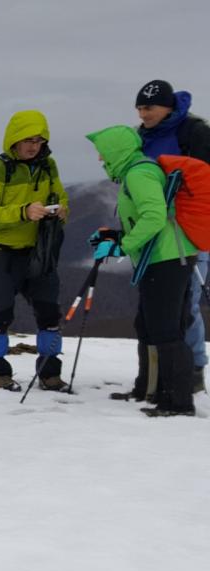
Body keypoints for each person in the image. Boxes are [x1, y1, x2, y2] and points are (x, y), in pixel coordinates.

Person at [87, 125, 197, 417]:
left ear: (115, 151)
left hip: (168, 260)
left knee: (166, 331)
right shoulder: (137, 172)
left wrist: (123, 246)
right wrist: (116, 236)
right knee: (147, 326)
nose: (100, 158)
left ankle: (178, 402)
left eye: (102, 152)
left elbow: (154, 216)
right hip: (160, 258)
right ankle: (149, 389)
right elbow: (145, 218)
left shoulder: (139, 173)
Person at [0, 111, 71, 391]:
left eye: (39, 140)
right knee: (0, 314)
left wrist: (61, 210)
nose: (33, 146)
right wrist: (23, 212)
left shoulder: (48, 166)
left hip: (39, 250)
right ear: (14, 140)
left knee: (49, 313)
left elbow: (61, 197)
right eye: (27, 140)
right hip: (2, 251)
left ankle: (50, 374)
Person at [136, 79, 210, 393]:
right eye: (139, 108)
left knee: (187, 300)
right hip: (157, 229)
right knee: (158, 305)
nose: (143, 113)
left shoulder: (193, 132)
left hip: (191, 229)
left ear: (167, 106)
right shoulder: (142, 135)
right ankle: (161, 374)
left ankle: (192, 370)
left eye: (149, 107)